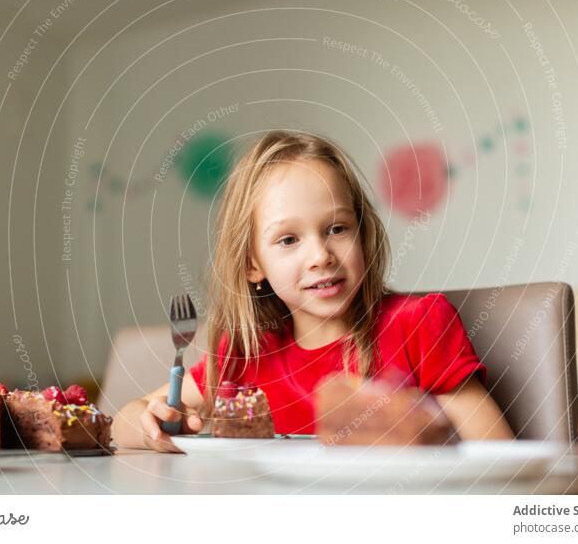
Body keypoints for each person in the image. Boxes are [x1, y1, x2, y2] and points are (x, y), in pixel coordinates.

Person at [112, 131, 513, 452]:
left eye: (337, 228)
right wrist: (151, 427)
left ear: (362, 232)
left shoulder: (417, 325)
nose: (321, 255)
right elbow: (125, 420)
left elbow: (499, 457)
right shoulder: (247, 354)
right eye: (288, 240)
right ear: (253, 264)